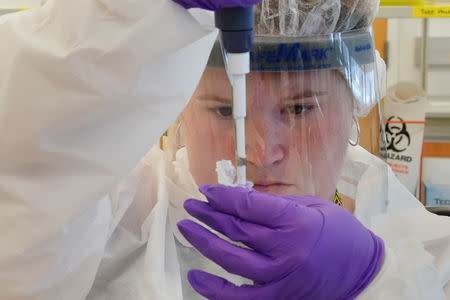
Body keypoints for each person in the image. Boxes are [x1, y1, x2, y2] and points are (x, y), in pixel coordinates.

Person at [0, 1, 448, 300]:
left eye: (299, 108)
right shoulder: (115, 222)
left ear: (356, 102)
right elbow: (24, 180)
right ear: (176, 109)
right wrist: (124, 20)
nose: (260, 150)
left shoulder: (418, 245)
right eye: (222, 110)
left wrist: (379, 279)